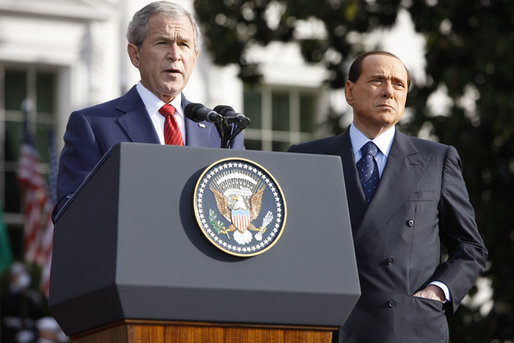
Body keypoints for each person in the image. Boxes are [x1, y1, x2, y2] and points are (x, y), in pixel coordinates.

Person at [288, 51, 487, 342]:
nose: (389, 92)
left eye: (399, 84)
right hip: (326, 327)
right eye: (378, 80)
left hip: (406, 327)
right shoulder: (307, 158)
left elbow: (470, 247)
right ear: (349, 91)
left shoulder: (436, 159)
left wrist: (437, 292)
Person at [53, 1, 244, 220]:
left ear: (194, 56)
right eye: (163, 43)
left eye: (183, 44)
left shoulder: (221, 130)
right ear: (135, 55)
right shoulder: (93, 124)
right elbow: (71, 211)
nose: (175, 54)